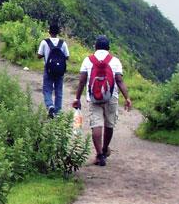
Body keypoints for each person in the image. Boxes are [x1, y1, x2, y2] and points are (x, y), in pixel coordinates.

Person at [72, 35, 134, 166]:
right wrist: (127, 98)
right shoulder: (115, 61)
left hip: (94, 97)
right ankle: (105, 149)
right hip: (111, 96)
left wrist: (77, 98)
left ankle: (99, 155)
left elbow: (82, 81)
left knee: (96, 124)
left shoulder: (88, 60)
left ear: (95, 47)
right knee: (109, 124)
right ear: (108, 48)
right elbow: (119, 80)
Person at [36, 22, 71, 118]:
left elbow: (39, 55)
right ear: (58, 32)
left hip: (48, 70)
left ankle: (50, 106)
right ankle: (58, 112)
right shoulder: (62, 43)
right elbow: (67, 57)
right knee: (58, 90)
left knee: (47, 89)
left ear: (49, 31)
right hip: (60, 71)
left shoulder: (44, 42)